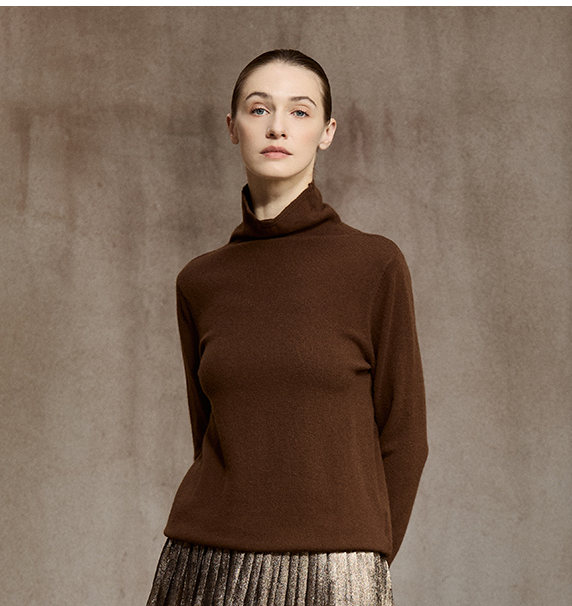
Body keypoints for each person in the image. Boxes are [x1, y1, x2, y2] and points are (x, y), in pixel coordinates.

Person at [146, 49, 428, 606]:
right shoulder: (200, 281)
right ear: (233, 127)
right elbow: (209, 434)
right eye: (259, 109)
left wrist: (365, 561)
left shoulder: (374, 265)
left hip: (336, 567)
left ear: (327, 132)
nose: (277, 127)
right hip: (204, 565)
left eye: (299, 112)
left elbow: (405, 437)